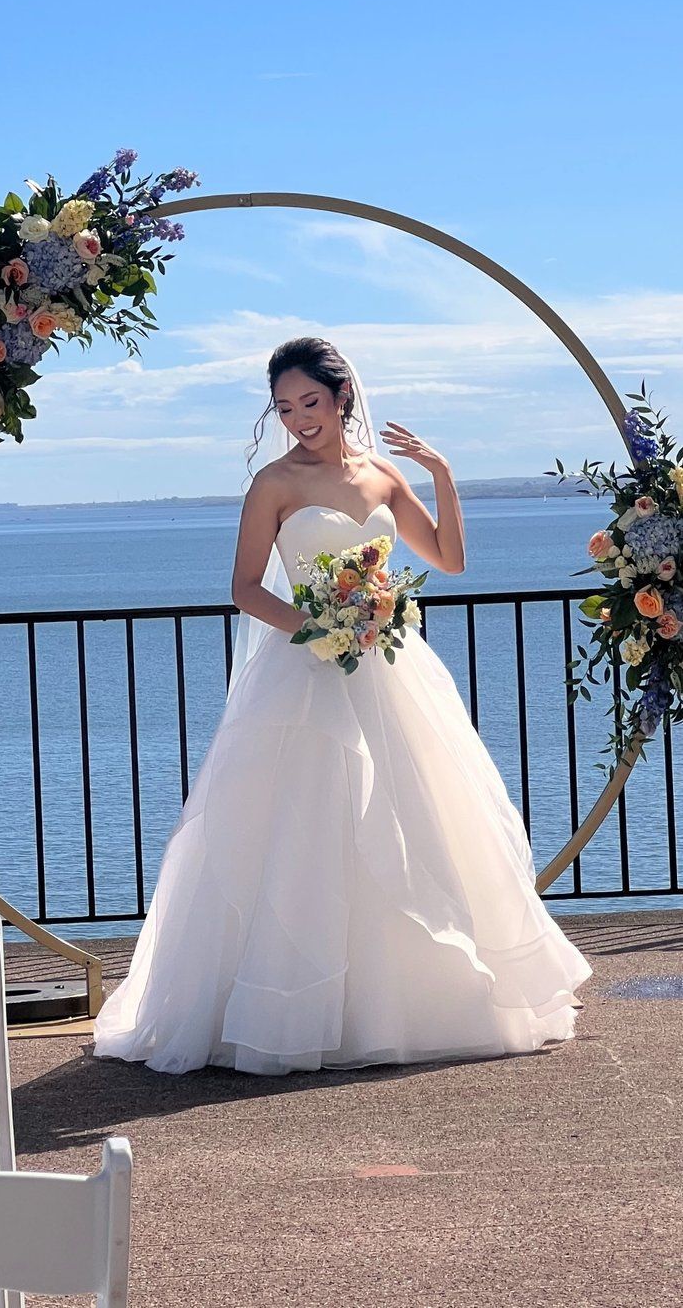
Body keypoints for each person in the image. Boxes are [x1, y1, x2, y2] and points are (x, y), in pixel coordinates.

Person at [93, 336, 591, 1075]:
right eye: (286, 407)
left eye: (311, 403)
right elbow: (246, 588)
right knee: (308, 832)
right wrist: (323, 627)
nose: (300, 419)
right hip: (306, 672)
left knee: (413, 826)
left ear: (341, 398)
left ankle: (408, 1002)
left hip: (392, 673)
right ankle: (294, 1010)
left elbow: (449, 559)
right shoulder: (273, 483)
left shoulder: (383, 474)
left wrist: (442, 473)